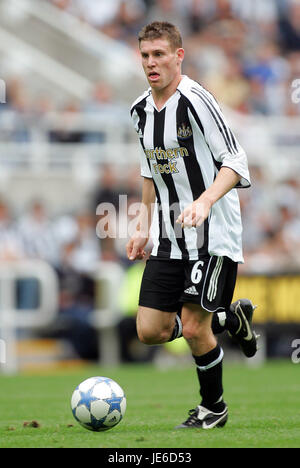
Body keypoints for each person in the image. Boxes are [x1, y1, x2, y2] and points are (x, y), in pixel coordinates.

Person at [126, 21, 259, 430]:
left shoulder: (198, 100)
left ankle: (213, 409)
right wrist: (144, 224)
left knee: (195, 326)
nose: (152, 63)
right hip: (169, 235)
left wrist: (204, 201)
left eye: (160, 55)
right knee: (150, 330)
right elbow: (152, 172)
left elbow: (236, 163)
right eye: (146, 56)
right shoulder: (139, 112)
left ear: (178, 56)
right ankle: (230, 319)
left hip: (212, 233)